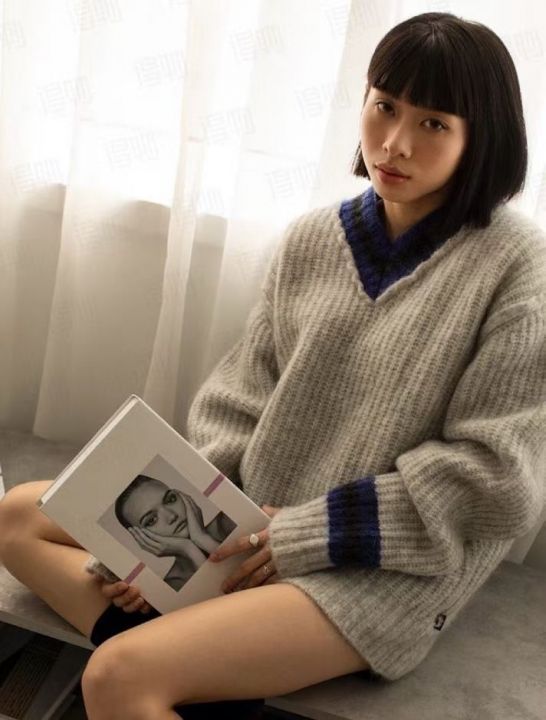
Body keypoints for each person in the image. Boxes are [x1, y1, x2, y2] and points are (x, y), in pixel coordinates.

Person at [0, 10, 545, 720]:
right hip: (243, 533)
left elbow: (495, 480)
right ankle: (201, 666)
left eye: (433, 123)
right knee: (16, 516)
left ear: (482, 138)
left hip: (374, 567)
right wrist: (162, 551)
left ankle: (178, 664)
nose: (395, 142)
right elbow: (237, 402)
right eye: (384, 106)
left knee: (117, 678)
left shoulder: (518, 268)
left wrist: (302, 535)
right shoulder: (314, 238)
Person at [85, 474, 237, 592]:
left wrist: (203, 538)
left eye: (170, 499)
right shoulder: (173, 585)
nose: (171, 516)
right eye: (152, 520)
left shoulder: (229, 521)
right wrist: (189, 549)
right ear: (142, 537)